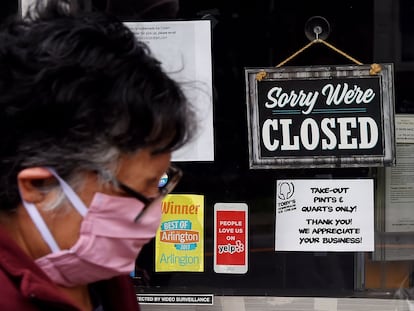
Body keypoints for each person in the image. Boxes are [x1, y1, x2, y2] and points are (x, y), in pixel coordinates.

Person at [0, 0, 195, 310]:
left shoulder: (99, 274)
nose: (155, 218)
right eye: (140, 190)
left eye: (160, 184)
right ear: (39, 187)